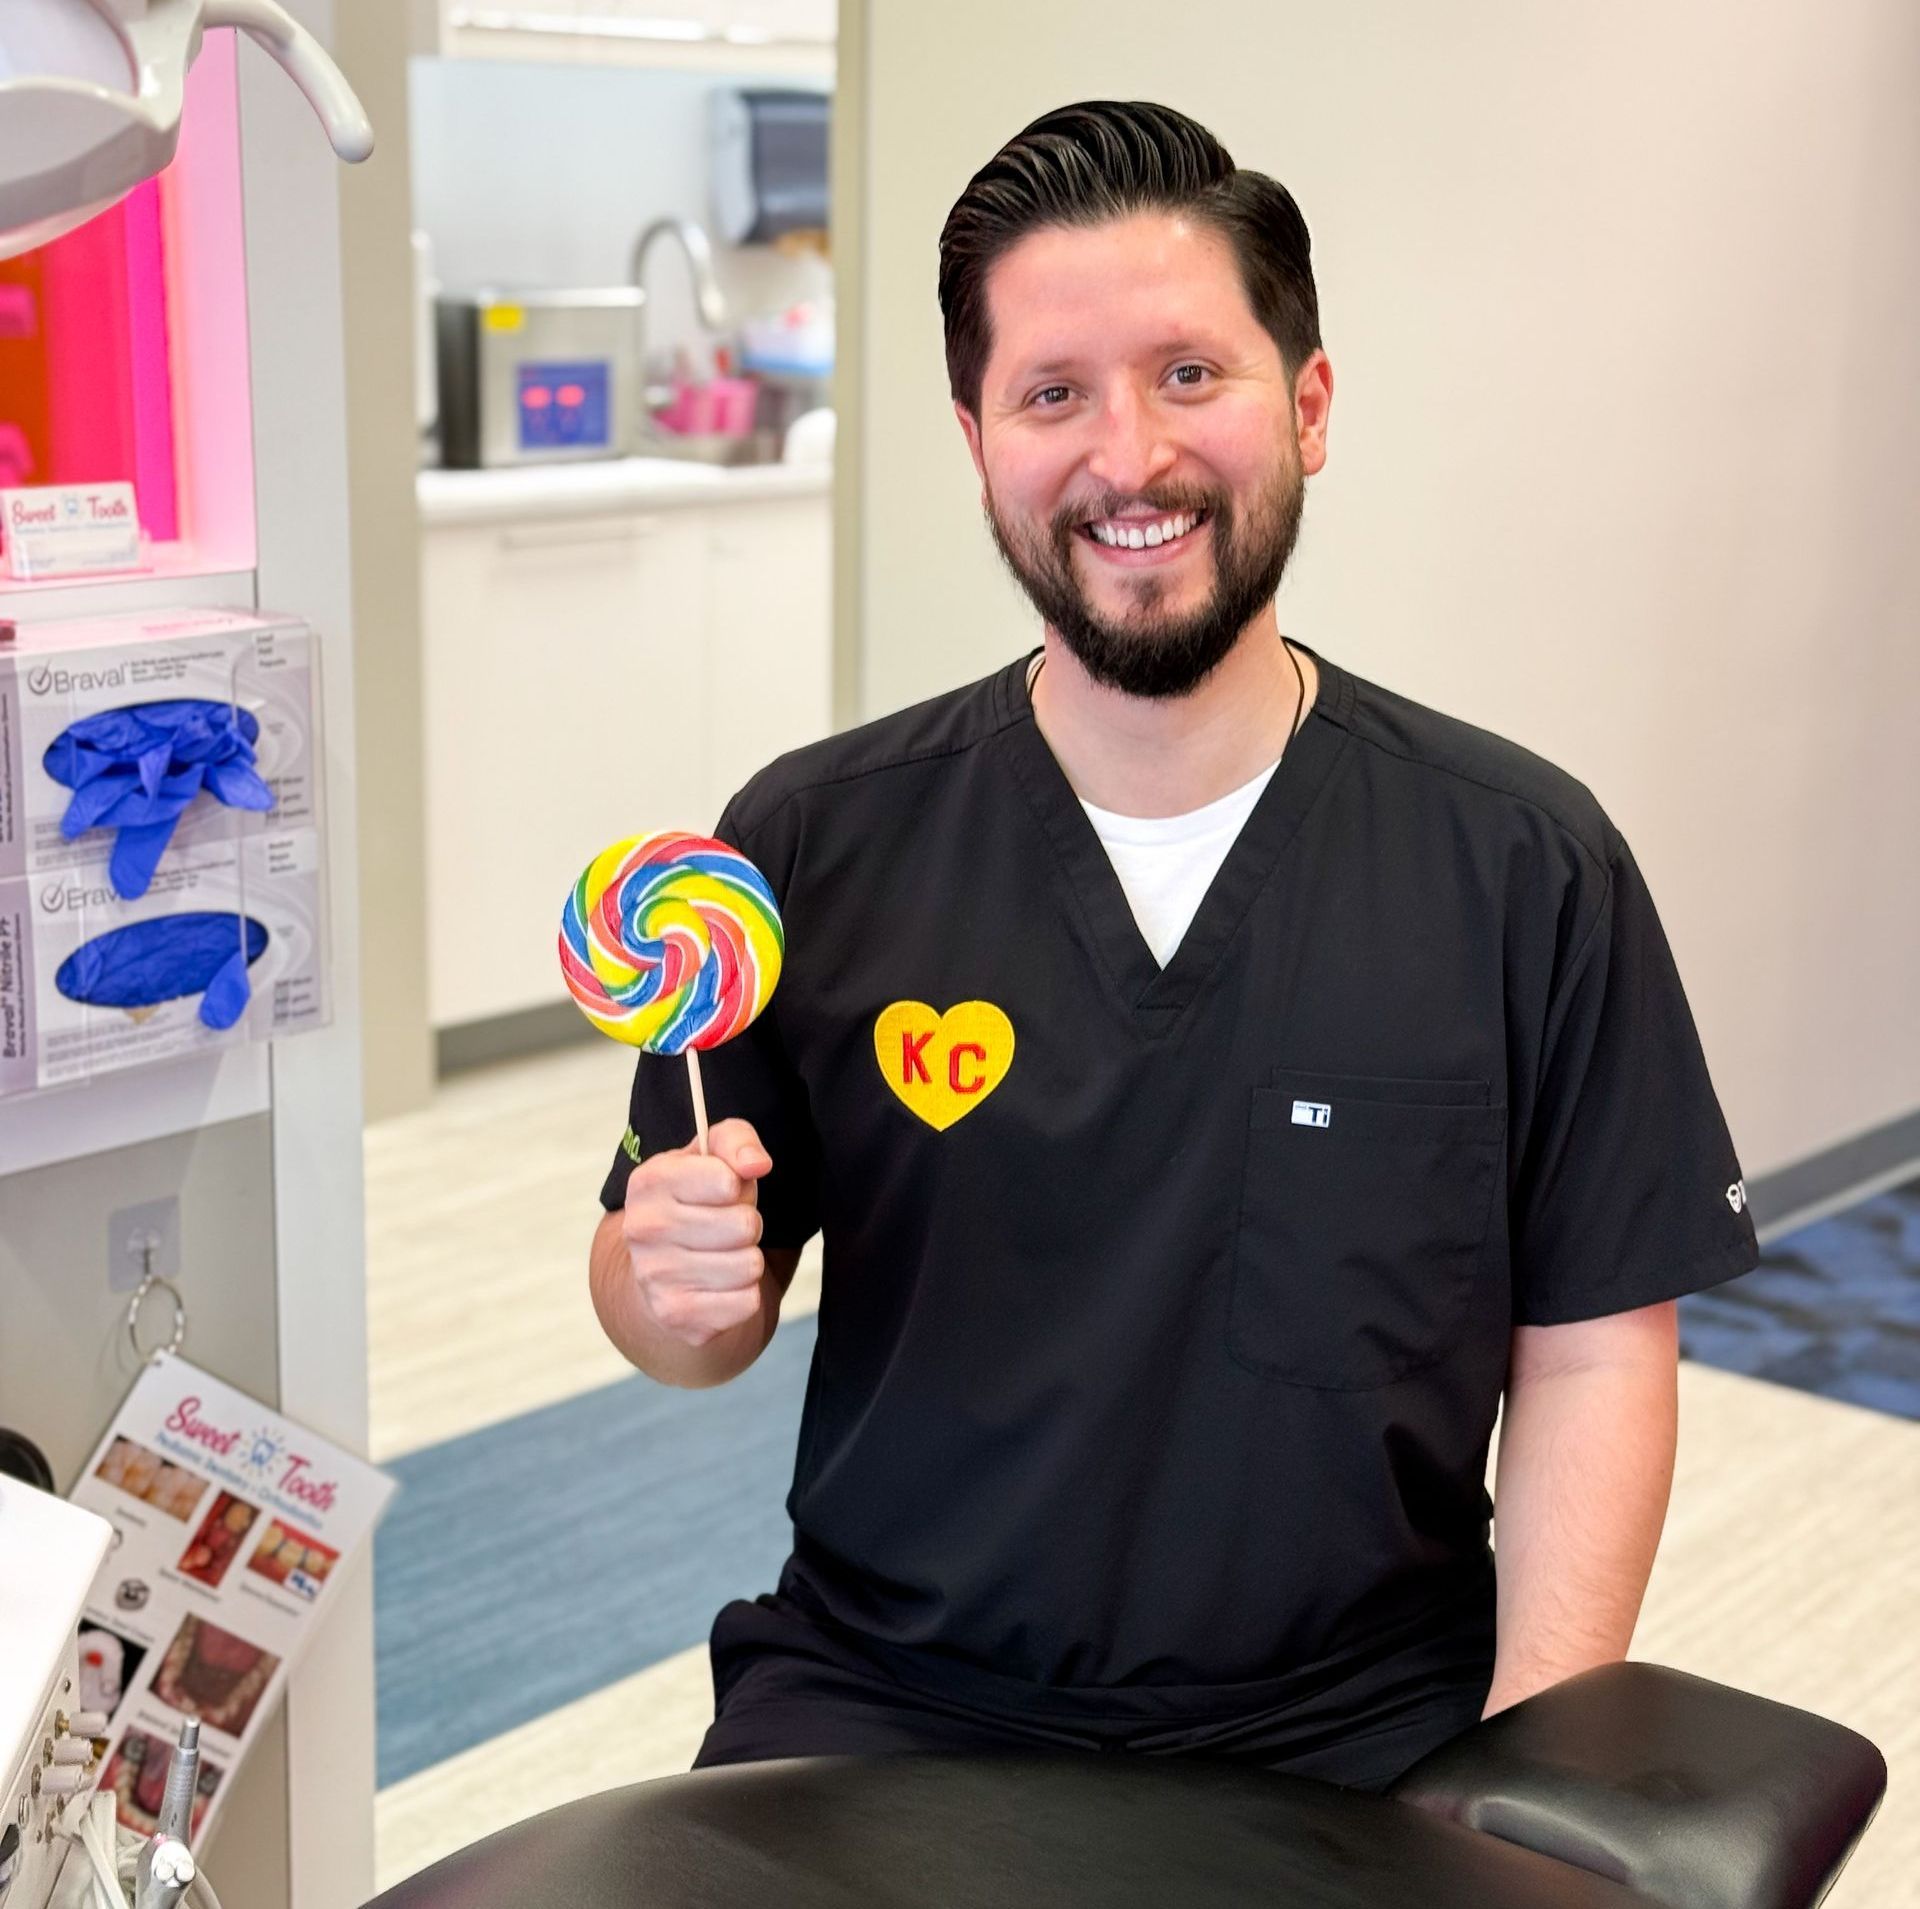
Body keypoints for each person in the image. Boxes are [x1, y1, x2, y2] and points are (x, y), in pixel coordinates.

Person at [588, 99, 1759, 1791]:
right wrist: (661, 1276)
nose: (1126, 457)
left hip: (1356, 1737)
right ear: (978, 438)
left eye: (1189, 375)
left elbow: (1591, 1348)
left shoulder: (1522, 863)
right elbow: (687, 1317)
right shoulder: (806, 844)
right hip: (881, 1708)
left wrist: (1530, 1781)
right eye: (1052, 393)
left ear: (1311, 403)